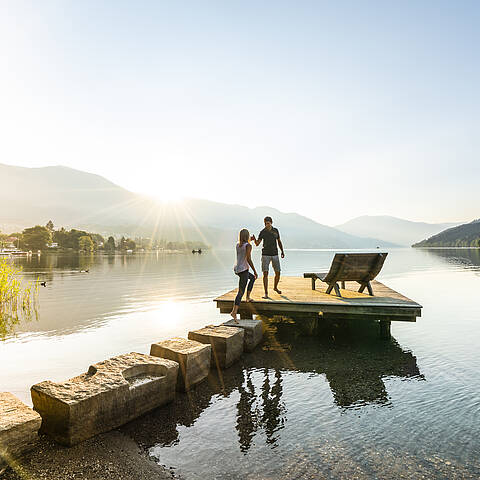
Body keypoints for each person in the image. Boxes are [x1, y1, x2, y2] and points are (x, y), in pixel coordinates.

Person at [252, 216, 285, 298]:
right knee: (265, 274)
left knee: (278, 272)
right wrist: (254, 239)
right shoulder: (262, 232)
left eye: (268, 223)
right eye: (266, 223)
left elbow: (279, 241)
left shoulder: (275, 230)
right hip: (265, 254)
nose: (267, 225)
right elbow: (257, 244)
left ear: (271, 223)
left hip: (275, 254)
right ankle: (266, 293)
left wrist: (282, 251)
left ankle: (275, 287)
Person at [230, 228, 258, 322]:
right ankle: (234, 312)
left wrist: (251, 239)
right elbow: (249, 259)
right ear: (247, 236)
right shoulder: (248, 246)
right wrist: (254, 270)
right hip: (244, 270)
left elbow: (245, 242)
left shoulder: (238, 244)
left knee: (252, 278)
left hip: (237, 269)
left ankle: (248, 297)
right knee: (240, 292)